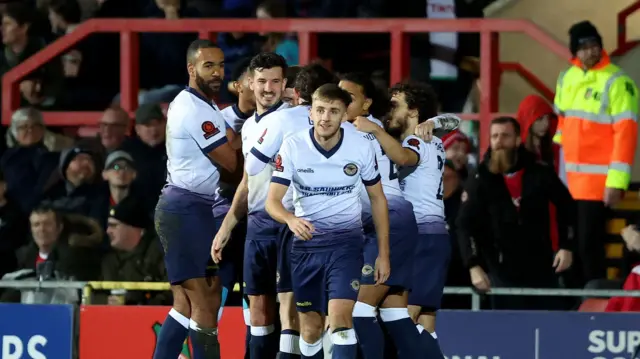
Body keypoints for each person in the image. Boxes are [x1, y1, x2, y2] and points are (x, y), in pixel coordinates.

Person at [265, 84, 390, 359]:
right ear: (310, 113)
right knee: (309, 329)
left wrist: (384, 253)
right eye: (320, 110)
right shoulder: (293, 145)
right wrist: (290, 219)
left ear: (345, 114)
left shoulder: (360, 145)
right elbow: (272, 201)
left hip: (346, 245)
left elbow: (378, 199)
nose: (325, 117)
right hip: (306, 247)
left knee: (341, 318)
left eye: (334, 111)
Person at [354, 82, 457, 359]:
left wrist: (374, 129)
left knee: (406, 315)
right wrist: (435, 121)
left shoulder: (415, 141)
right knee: (424, 320)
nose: (389, 112)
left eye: (395, 104)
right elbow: (454, 121)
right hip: (434, 236)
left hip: (422, 235)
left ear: (413, 110)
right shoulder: (433, 140)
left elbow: (402, 157)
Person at [152, 39, 238, 359]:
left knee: (192, 302)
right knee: (203, 301)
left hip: (195, 208)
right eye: (208, 66)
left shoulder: (206, 106)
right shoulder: (192, 108)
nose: (217, 73)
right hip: (184, 209)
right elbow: (230, 165)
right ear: (191, 69)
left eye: (220, 65)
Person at [213, 52, 291, 359]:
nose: (268, 88)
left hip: (290, 224)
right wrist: (227, 226)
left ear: (285, 84)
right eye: (261, 81)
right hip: (257, 226)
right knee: (257, 310)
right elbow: (247, 182)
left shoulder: (295, 119)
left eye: (275, 81)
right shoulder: (247, 128)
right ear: (249, 83)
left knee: (290, 309)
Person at [339, 73, 421, 358]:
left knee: (358, 312)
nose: (340, 103)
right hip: (393, 221)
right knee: (395, 315)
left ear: (366, 104)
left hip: (389, 221)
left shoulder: (353, 131)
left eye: (349, 98)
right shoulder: (373, 128)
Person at [457, 117, 576, 310]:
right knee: (508, 332)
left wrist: (566, 246)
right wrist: (473, 265)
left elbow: (567, 207)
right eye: (494, 136)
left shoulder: (539, 172)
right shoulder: (479, 178)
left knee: (547, 328)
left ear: (517, 139)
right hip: (500, 270)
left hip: (541, 267)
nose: (499, 141)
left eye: (505, 136)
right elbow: (464, 225)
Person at [554, 21, 639, 285]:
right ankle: (576, 304)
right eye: (584, 47)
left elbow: (626, 137)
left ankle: (595, 303)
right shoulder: (567, 78)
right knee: (570, 247)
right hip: (567, 181)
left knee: (590, 248)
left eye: (594, 45)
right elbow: (562, 125)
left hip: (597, 185)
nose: (591, 51)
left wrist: (615, 183)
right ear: (574, 52)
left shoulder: (618, 81)